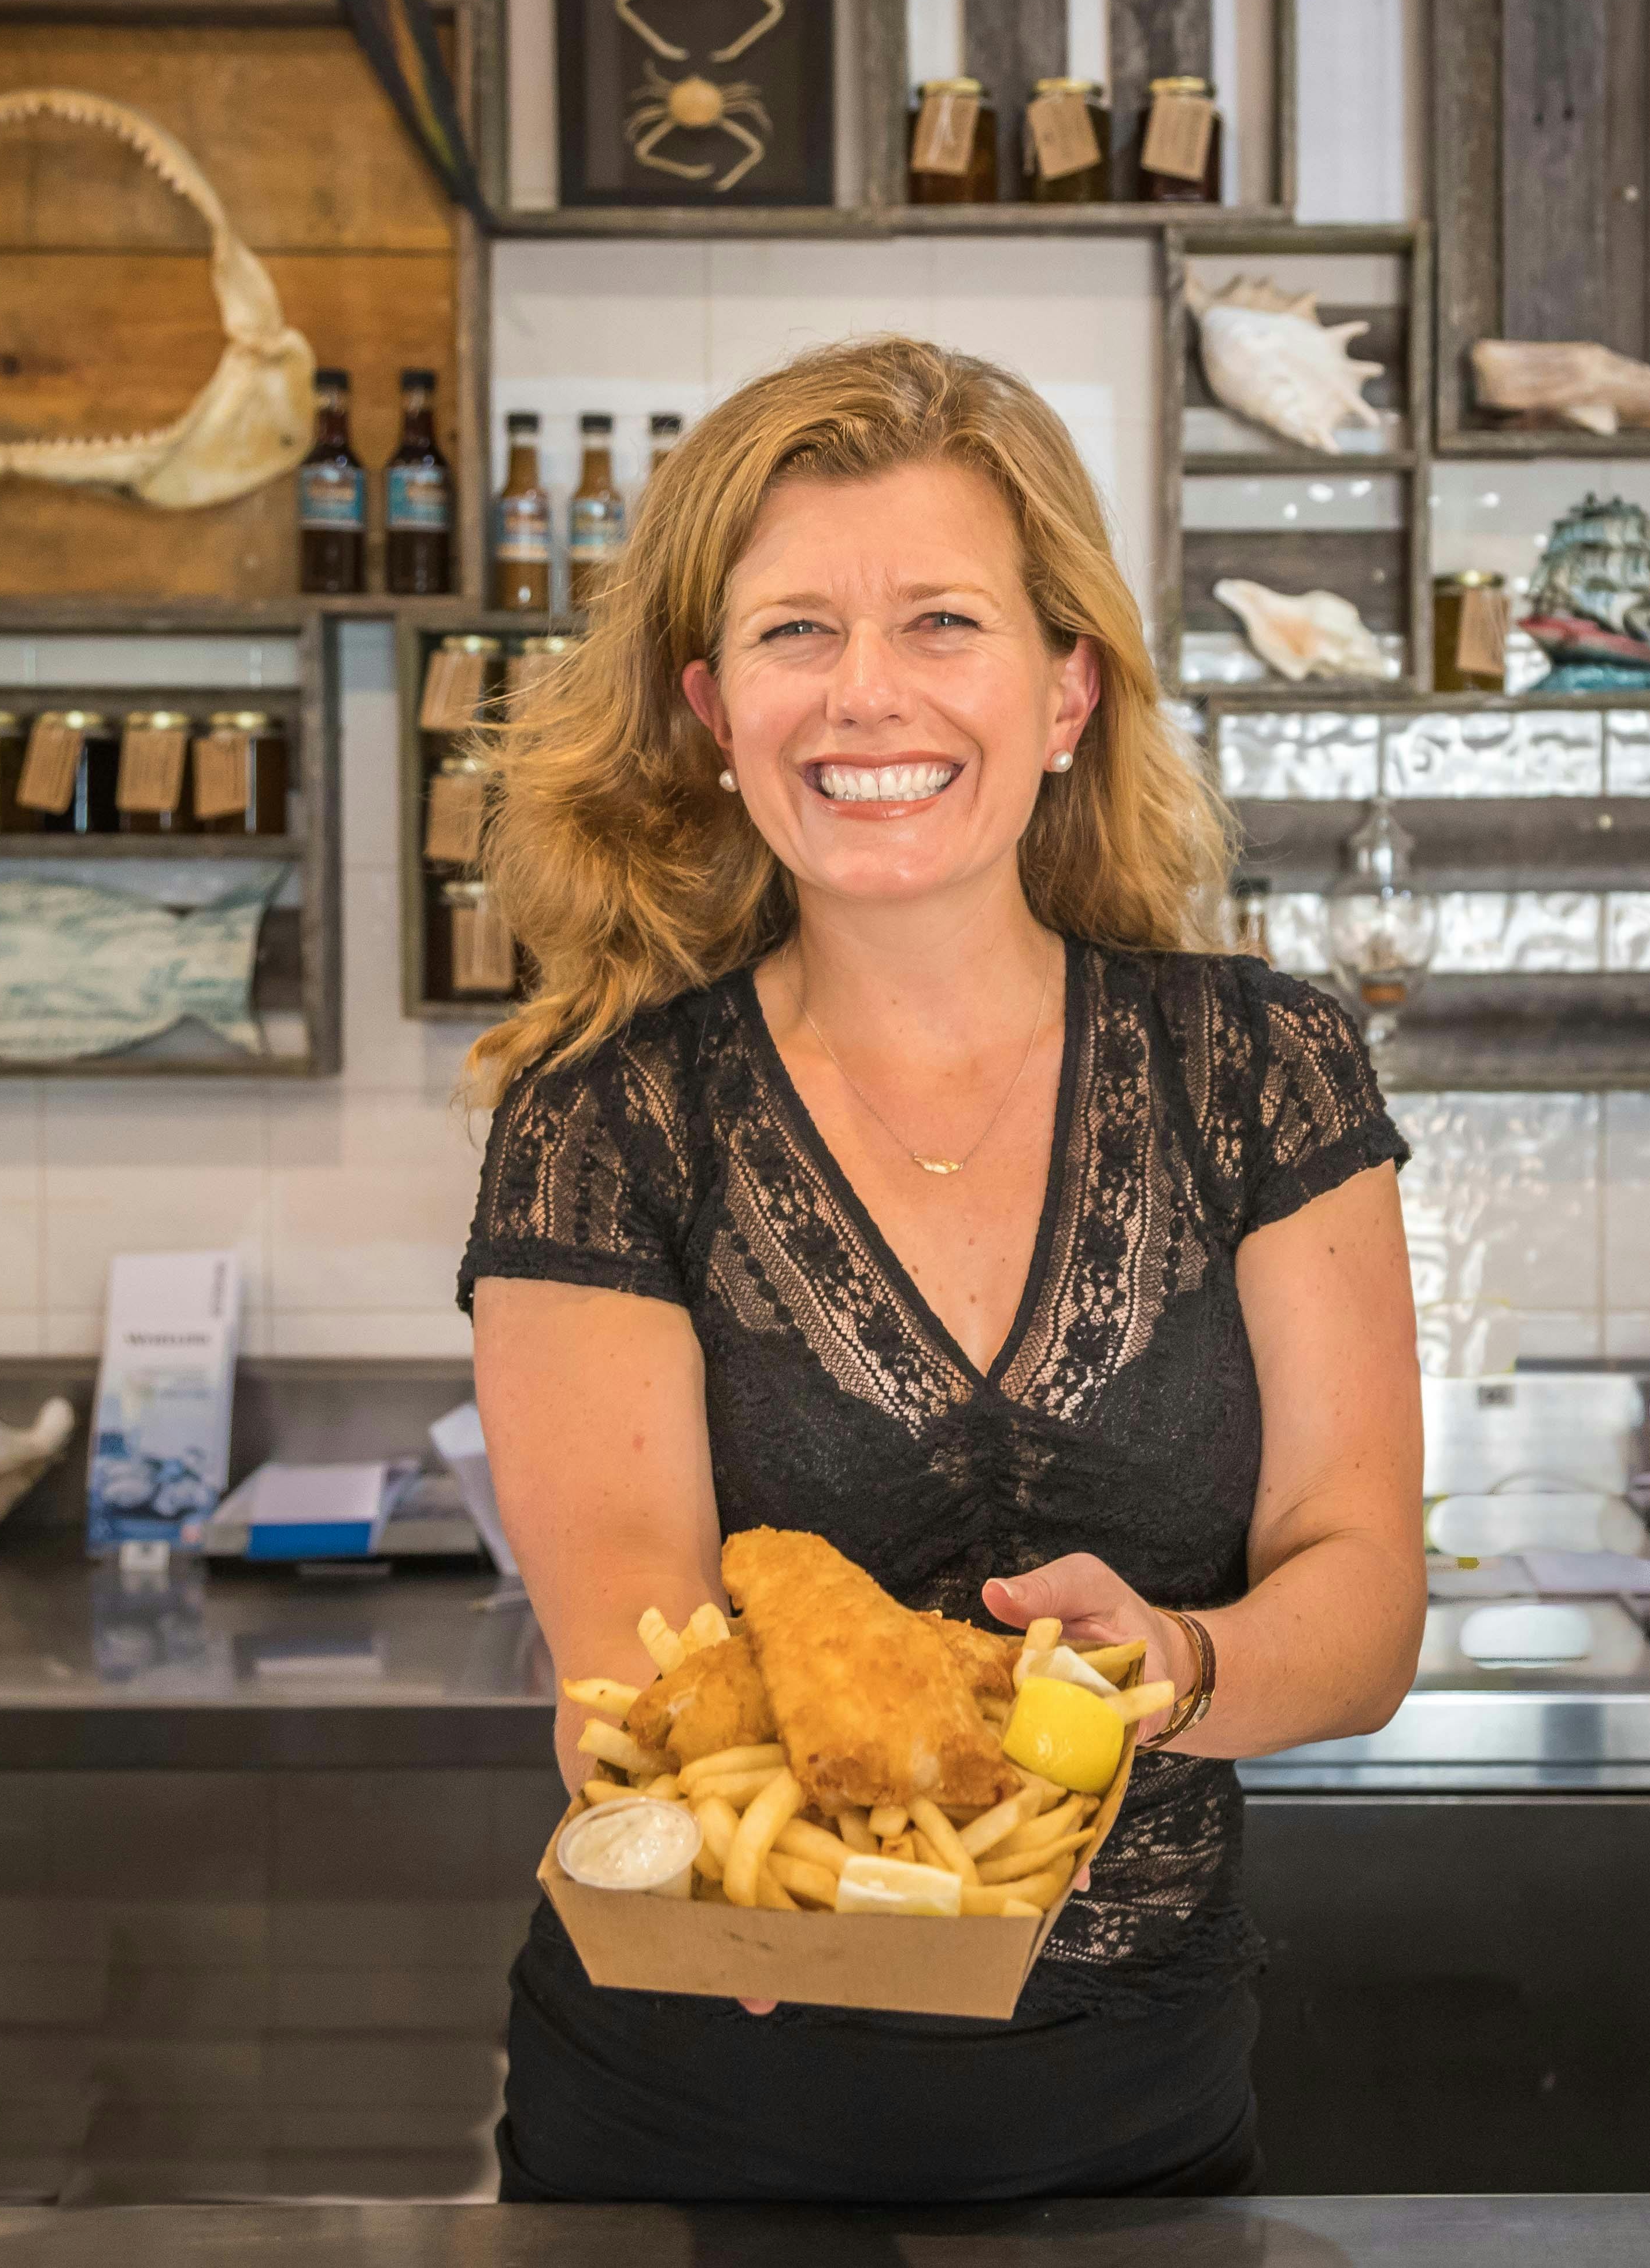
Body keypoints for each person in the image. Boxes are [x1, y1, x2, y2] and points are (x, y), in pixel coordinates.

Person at [458, 336, 1426, 2204]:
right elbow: (631, 1695)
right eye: (795, 632)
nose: (866, 697)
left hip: (1133, 2122)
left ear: (1068, 691)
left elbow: (1368, 1597)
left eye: (944, 623)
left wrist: (1186, 1658)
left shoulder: (1265, 1071)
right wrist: (760, 1863)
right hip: (693, 2125)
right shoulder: (605, 1126)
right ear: (710, 711)